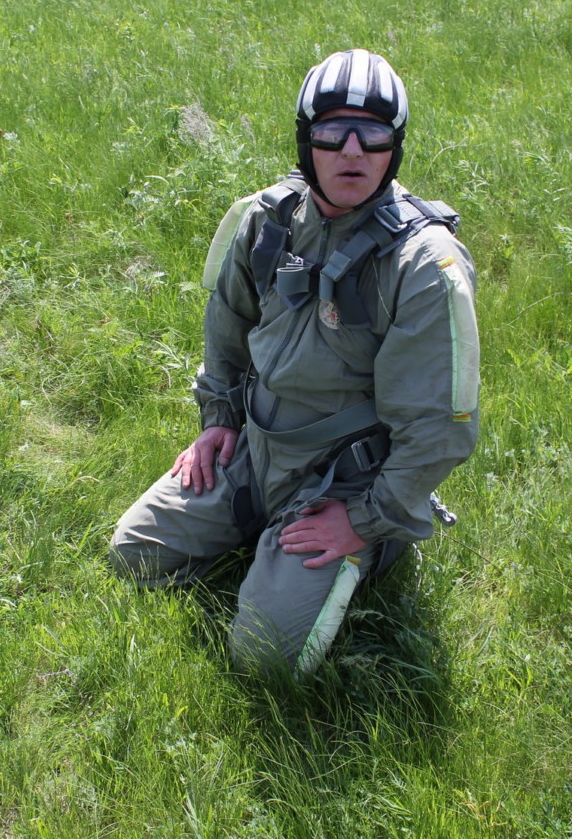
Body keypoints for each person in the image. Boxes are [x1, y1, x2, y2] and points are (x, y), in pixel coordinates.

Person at [109, 48, 480, 675]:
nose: (353, 151)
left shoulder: (423, 266)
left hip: (342, 482)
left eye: (373, 135)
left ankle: (378, 548)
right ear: (307, 141)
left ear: (395, 147)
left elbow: (440, 425)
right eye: (333, 132)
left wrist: (364, 518)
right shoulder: (266, 219)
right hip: (254, 450)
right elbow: (227, 326)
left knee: (264, 658)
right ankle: (261, 527)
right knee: (133, 554)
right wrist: (219, 421)